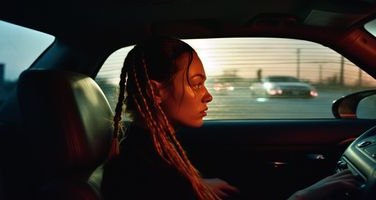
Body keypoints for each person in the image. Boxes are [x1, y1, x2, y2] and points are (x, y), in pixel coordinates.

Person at [101, 36, 361, 200]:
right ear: (156, 91)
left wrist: (196, 185)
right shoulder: (140, 170)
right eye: (196, 84)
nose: (208, 96)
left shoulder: (154, 149)